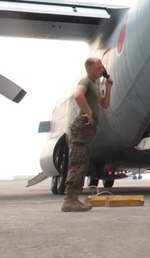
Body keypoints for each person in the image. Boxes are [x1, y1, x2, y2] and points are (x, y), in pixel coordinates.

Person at [61, 56, 113, 212]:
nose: (102, 70)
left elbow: (104, 104)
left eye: (102, 67)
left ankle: (74, 198)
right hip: (83, 125)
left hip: (88, 128)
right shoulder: (86, 82)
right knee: (78, 162)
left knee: (83, 162)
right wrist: (88, 112)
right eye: (98, 67)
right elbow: (78, 95)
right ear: (89, 69)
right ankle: (70, 199)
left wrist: (109, 86)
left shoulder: (94, 86)